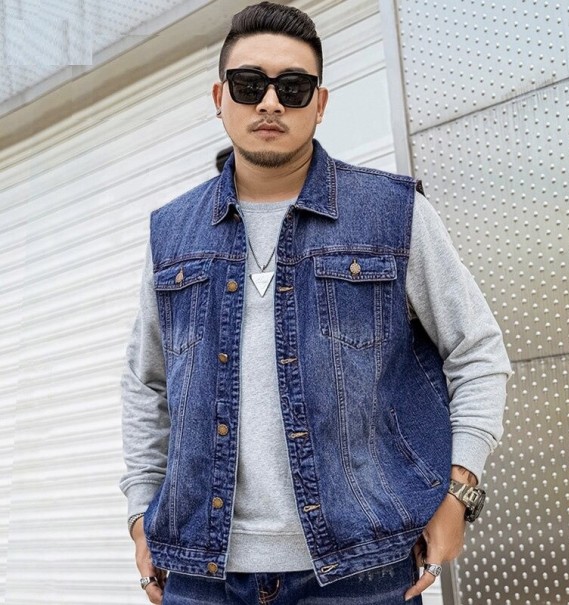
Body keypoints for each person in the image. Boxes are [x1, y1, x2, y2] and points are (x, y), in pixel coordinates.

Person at [119, 2, 511, 603]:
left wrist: (459, 492)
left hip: (362, 571)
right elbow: (147, 384)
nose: (270, 103)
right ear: (219, 97)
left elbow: (476, 350)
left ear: (320, 104)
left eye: (293, 88)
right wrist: (140, 513)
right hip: (200, 574)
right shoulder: (172, 232)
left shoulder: (393, 213)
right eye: (249, 85)